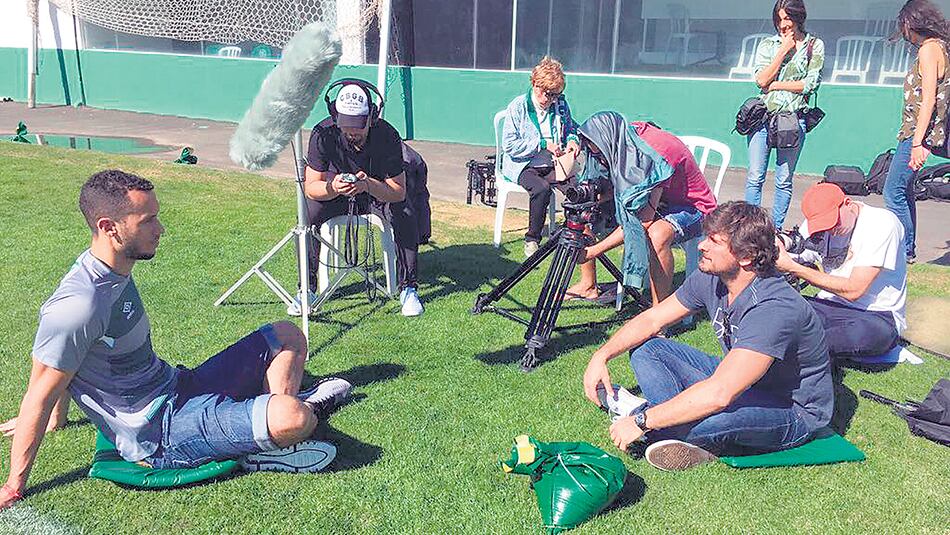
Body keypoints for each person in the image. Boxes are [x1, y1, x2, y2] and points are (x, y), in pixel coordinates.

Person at [0, 170, 353, 510]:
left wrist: (57, 420)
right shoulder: (79, 305)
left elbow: (68, 361)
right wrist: (14, 485)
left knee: (286, 335)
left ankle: (264, 424)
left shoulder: (114, 269)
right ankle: (290, 418)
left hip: (179, 385)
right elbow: (42, 388)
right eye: (147, 221)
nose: (161, 229)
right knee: (294, 418)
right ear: (109, 228)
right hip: (160, 434)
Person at [583, 201, 833, 471]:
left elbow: (720, 394)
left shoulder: (774, 308)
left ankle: (660, 422)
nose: (702, 245)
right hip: (738, 380)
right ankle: (672, 424)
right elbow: (653, 319)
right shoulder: (713, 277)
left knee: (710, 422)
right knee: (649, 349)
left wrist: (641, 420)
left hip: (790, 410)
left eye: (714, 241)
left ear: (746, 256)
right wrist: (601, 355)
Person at [565, 121, 718, 306]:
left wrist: (593, 252)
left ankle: (660, 314)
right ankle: (588, 285)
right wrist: (591, 199)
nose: (599, 159)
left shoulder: (654, 154)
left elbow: (642, 221)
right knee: (583, 212)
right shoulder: (623, 138)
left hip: (693, 207)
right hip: (660, 201)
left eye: (599, 153)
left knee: (657, 234)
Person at [304, 81, 424, 317]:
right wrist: (334, 187)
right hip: (337, 193)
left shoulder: (388, 135)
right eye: (346, 127)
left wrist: (367, 184)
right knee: (307, 212)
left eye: (359, 127)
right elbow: (311, 187)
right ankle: (306, 289)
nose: (353, 134)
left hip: (375, 193)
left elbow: (398, 191)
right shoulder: (322, 134)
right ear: (335, 116)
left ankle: (408, 288)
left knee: (405, 212)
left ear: (373, 117)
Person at [777, 183, 907, 361]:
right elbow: (801, 251)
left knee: (866, 335)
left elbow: (854, 290)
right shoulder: (817, 221)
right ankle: (800, 345)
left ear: (847, 203)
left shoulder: (882, 223)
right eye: (824, 225)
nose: (831, 229)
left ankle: (799, 347)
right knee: (777, 308)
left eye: (833, 221)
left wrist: (794, 268)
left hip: (876, 315)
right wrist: (777, 248)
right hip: (829, 304)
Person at [745, 0, 824, 228]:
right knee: (755, 176)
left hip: (792, 118)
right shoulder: (768, 45)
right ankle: (749, 227)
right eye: (779, 19)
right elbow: (760, 80)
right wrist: (782, 52)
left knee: (783, 179)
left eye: (787, 18)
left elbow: (811, 84)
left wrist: (775, 85)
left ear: (798, 17)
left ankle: (776, 229)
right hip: (763, 118)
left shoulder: (814, 45)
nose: (783, 25)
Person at [883, 0, 950, 264]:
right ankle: (907, 249)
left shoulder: (929, 50)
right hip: (917, 132)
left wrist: (918, 142)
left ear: (911, 24)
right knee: (905, 189)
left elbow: (929, 100)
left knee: (893, 191)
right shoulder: (940, 47)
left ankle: (903, 251)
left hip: (916, 133)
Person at [501, 56, 580, 258]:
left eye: (555, 95)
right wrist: (543, 145)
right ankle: (532, 239)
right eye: (547, 94)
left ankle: (573, 235)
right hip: (523, 165)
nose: (550, 99)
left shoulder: (560, 104)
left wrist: (572, 141)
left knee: (578, 189)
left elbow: (571, 127)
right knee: (542, 189)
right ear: (535, 85)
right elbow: (509, 146)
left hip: (554, 164)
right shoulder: (517, 106)